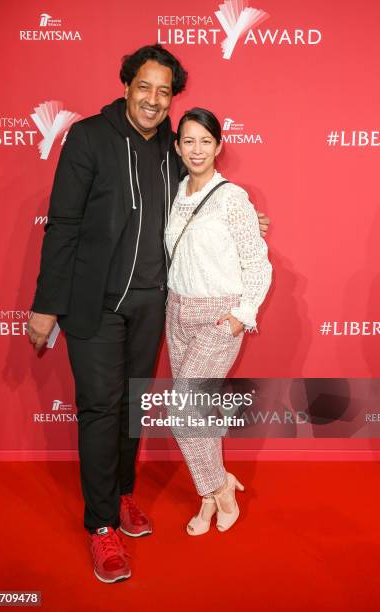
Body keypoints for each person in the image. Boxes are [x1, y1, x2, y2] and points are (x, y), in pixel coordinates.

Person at [27, 44, 270, 583]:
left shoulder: (171, 144)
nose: (154, 100)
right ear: (127, 85)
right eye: (145, 87)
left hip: (152, 302)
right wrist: (46, 305)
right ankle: (100, 527)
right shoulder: (88, 137)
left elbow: (202, 205)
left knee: (131, 407)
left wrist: (249, 226)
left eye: (165, 91)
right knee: (100, 408)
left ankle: (122, 497)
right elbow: (63, 224)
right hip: (93, 303)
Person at [165, 108, 272, 535]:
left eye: (205, 141)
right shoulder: (175, 194)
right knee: (201, 414)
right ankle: (209, 497)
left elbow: (257, 264)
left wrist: (240, 317)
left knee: (182, 411)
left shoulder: (233, 198)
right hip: (176, 311)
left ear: (219, 146)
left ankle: (220, 487)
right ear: (177, 146)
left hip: (218, 316)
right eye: (188, 141)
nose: (196, 149)